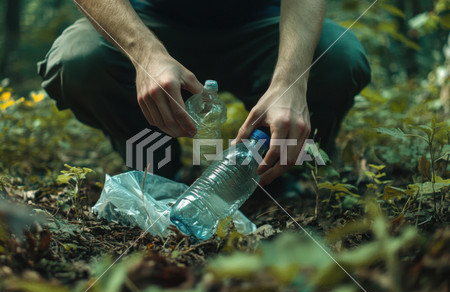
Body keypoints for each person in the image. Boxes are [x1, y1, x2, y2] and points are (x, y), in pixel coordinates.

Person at [38, 0, 371, 186]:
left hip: (261, 23)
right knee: (78, 58)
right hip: (151, 19)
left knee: (339, 58)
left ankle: (274, 171)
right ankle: (154, 167)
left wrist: (291, 83)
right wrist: (145, 54)